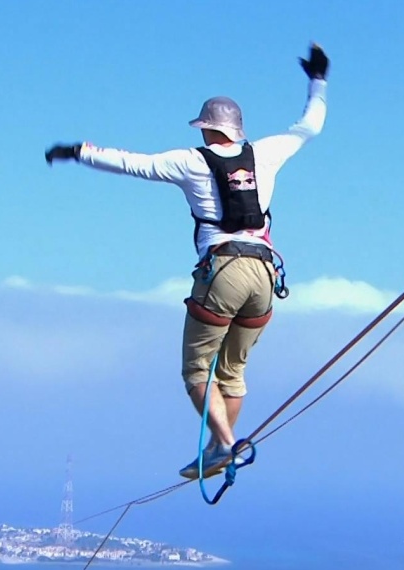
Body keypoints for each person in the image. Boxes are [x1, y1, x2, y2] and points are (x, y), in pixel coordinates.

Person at [44, 44, 329, 479]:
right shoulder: (267, 153)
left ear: (206, 129)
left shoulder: (189, 161)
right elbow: (310, 126)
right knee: (232, 371)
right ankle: (218, 446)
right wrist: (318, 80)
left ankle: (228, 444)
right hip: (266, 274)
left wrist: (77, 152)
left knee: (198, 369)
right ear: (237, 129)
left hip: (224, 270)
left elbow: (130, 164)